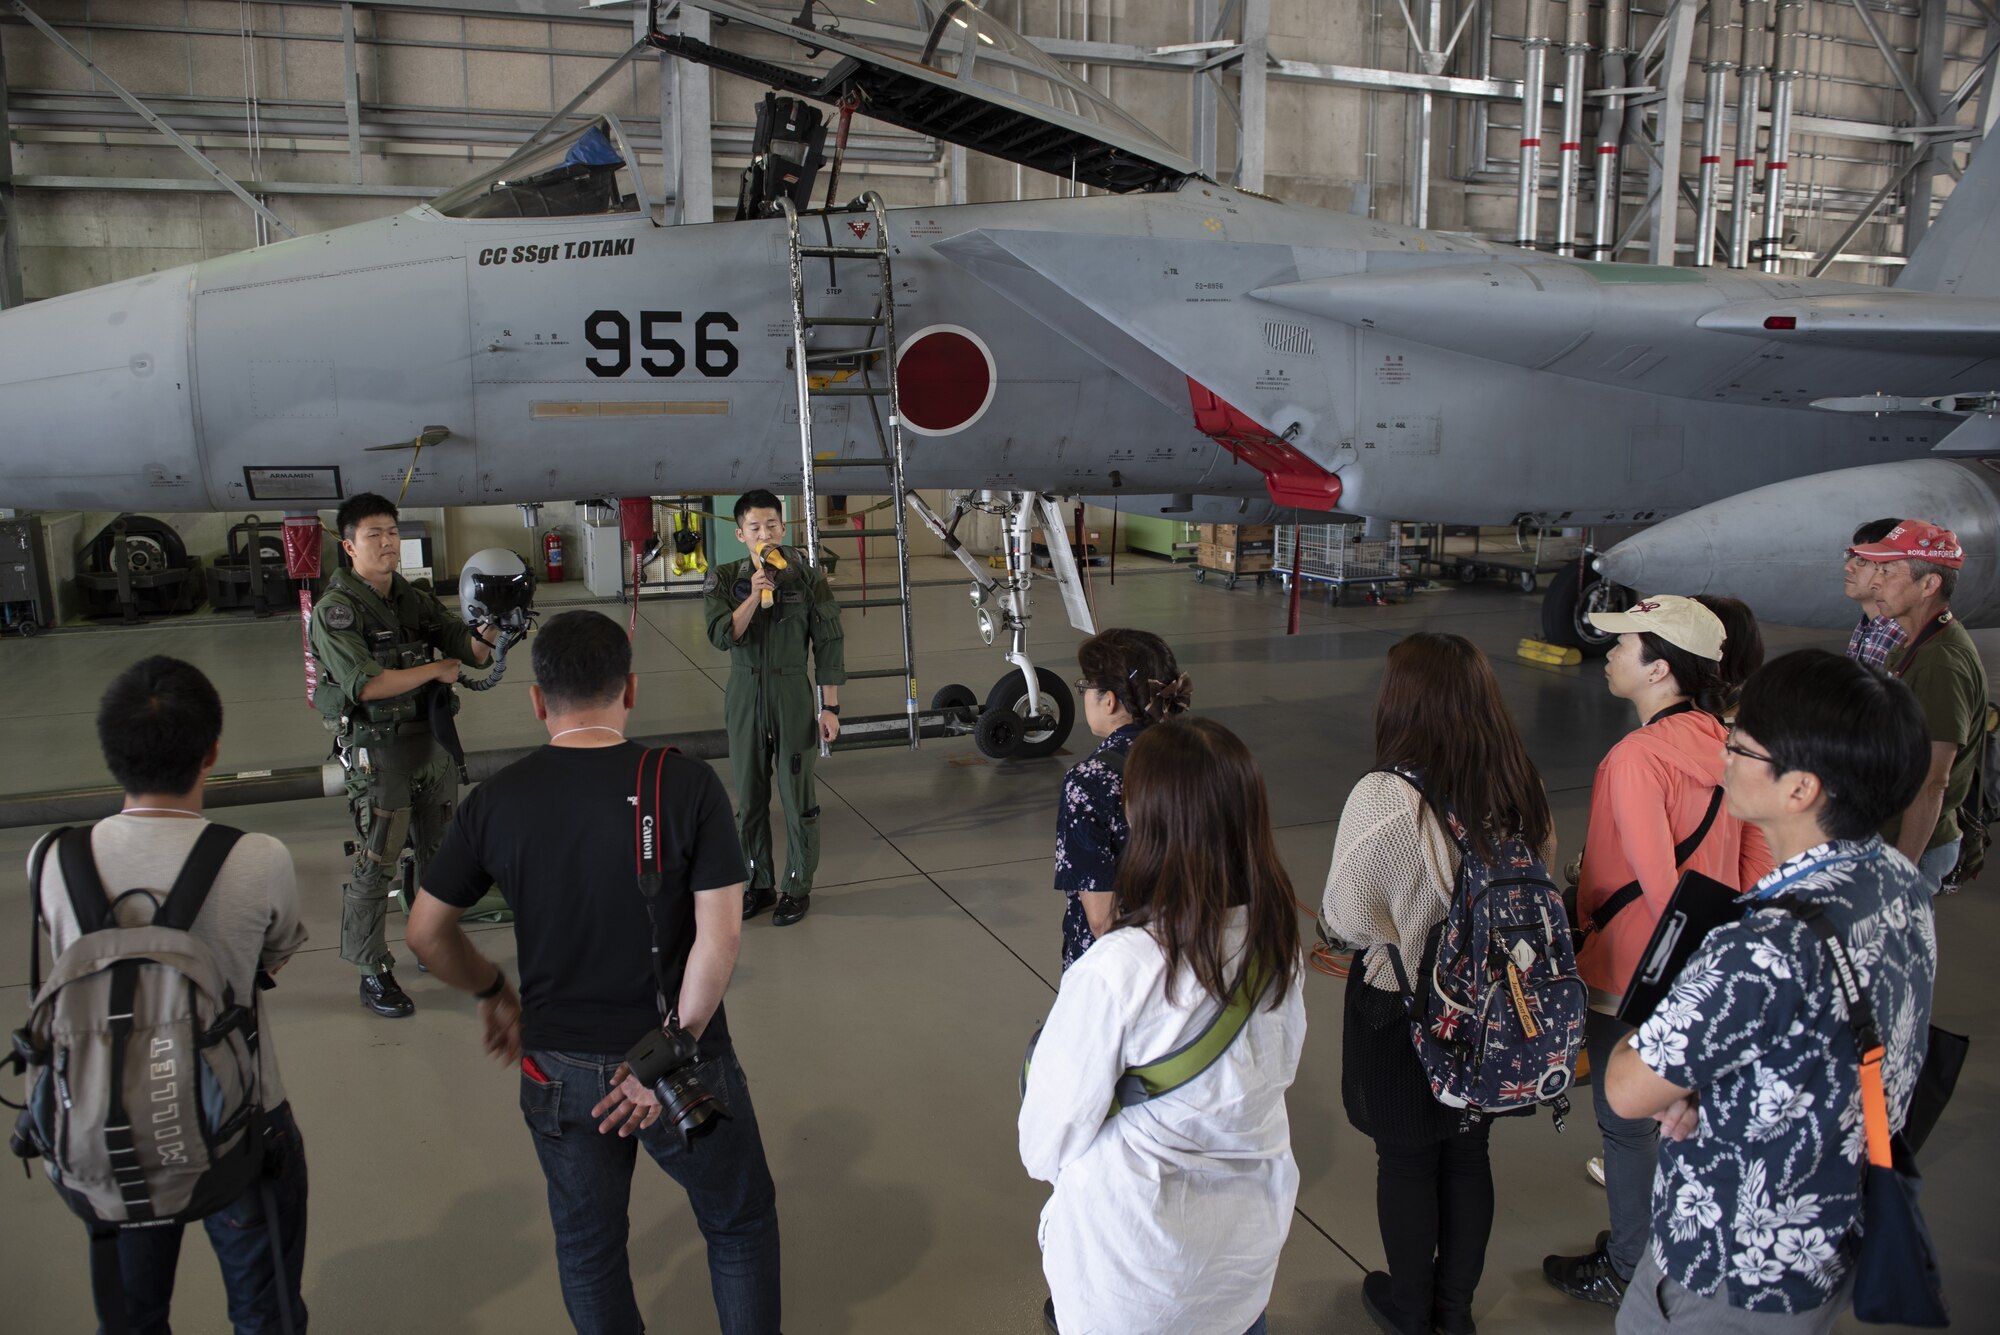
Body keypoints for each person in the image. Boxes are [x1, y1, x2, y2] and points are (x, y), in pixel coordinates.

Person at [408, 610, 781, 1335]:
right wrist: (666, 1054)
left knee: (589, 1247)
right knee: (738, 1224)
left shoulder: (498, 799)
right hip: (679, 1066)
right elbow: (721, 936)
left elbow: (425, 932)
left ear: (538, 700)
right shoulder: (687, 783)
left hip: (558, 1070)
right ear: (631, 689)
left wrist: (494, 991)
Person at [1606, 649, 1936, 1333]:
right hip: (1827, 1234)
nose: (1724, 753)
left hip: (1729, 1266)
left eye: (1741, 743)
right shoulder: (1898, 882)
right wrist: (1715, 1088)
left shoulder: (1764, 947)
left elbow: (1628, 1087)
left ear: (1799, 789)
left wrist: (1666, 1053)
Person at [32, 656, 309, 1332]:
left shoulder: (53, 856)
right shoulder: (258, 856)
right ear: (212, 751)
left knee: (133, 1315)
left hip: (108, 1119)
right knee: (264, 1313)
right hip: (239, 1121)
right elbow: (275, 952)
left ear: (110, 753)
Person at [1020, 716, 1305, 1335]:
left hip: (1133, 1279)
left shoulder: (1119, 969)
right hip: (1241, 1268)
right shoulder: (1276, 946)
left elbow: (1044, 1144)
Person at [1544, 594, 1773, 1308]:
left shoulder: (1637, 757)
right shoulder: (1727, 742)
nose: (1609, 653)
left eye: (1624, 645)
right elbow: (1758, 862)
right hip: (1707, 965)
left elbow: (1656, 881)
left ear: (1661, 668)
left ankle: (1629, 1261)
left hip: (1632, 971)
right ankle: (1685, 1244)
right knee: (1685, 1112)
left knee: (1625, 1119)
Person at [1323, 632, 1554, 1335]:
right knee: (1467, 1149)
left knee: (1405, 1156)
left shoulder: (1384, 796)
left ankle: (1408, 1305)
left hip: (1403, 1006)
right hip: (1490, 1011)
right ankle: (1454, 1312)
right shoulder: (1519, 783)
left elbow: (1345, 914)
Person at [308, 491, 497, 1018]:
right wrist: (434, 671)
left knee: (441, 855)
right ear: (349, 546)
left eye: (392, 531)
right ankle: (372, 969)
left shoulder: (410, 597)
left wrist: (495, 623)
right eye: (374, 534)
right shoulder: (337, 611)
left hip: (429, 748)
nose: (388, 541)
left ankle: (433, 942)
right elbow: (364, 685)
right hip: (379, 755)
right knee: (378, 862)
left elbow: (468, 650)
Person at [703, 489, 845, 927]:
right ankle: (757, 883)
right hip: (744, 693)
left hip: (791, 693)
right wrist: (753, 594)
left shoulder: (807, 577)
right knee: (749, 798)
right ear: (740, 533)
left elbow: (828, 641)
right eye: (754, 527)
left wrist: (830, 708)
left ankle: (797, 886)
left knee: (797, 794)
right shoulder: (724, 578)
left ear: (782, 528)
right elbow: (722, 635)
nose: (763, 533)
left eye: (771, 525)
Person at [1847, 519, 1989, 887]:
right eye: (1875, 569)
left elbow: (1932, 783)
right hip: (1882, 833)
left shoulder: (1940, 661)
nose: (1875, 581)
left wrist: (1901, 872)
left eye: (1889, 571)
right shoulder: (1912, 644)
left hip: (1907, 848)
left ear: (1929, 584)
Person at [1054, 628, 1193, 971]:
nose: (1083, 694)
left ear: (1110, 700)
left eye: (1085, 687)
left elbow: (1102, 920)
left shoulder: (1089, 782)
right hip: (1197, 959)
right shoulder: (1200, 756)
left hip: (1122, 974)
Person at [1843, 517, 1908, 670]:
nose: (1848, 567)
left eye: (1861, 559)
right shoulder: (1869, 624)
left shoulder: (1903, 636)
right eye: (1851, 556)